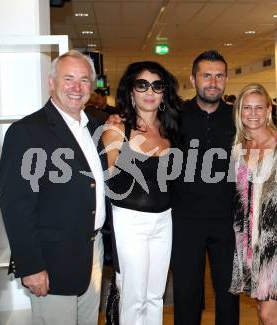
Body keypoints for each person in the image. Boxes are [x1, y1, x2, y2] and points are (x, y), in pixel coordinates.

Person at [0, 50, 119, 325]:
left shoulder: (95, 127)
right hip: (52, 259)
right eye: (68, 79)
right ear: (51, 82)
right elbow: (16, 206)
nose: (77, 88)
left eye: (84, 80)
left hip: (93, 251)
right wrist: (31, 266)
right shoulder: (26, 132)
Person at [102, 61, 182, 325]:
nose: (150, 91)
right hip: (130, 220)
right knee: (134, 296)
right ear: (131, 91)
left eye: (157, 85)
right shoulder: (116, 129)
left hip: (164, 219)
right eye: (142, 84)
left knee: (155, 295)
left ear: (164, 93)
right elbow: (110, 183)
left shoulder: (172, 129)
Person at [171, 50, 239, 325]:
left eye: (219, 76)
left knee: (228, 294)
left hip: (228, 220)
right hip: (185, 220)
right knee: (187, 294)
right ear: (193, 79)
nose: (213, 82)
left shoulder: (238, 118)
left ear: (225, 79)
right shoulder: (174, 116)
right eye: (206, 75)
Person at [229, 83, 277, 324]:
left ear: (268, 109)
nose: (253, 114)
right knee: (263, 310)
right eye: (246, 108)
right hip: (249, 242)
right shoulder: (237, 149)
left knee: (269, 315)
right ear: (239, 112)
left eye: (258, 107)